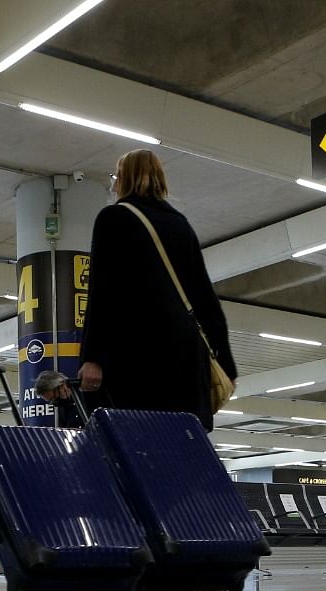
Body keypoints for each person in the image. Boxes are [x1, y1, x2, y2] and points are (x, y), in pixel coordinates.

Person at [78, 149, 236, 431]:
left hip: (137, 357)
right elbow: (204, 297)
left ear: (123, 179)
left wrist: (92, 357)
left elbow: (103, 293)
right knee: (183, 447)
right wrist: (225, 361)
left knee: (139, 445)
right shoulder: (180, 224)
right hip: (185, 359)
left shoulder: (113, 218)